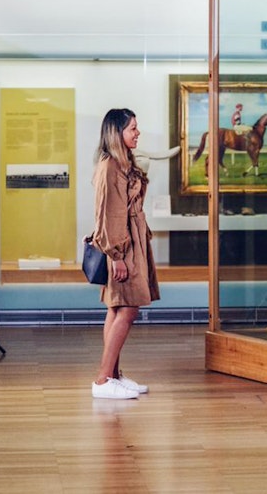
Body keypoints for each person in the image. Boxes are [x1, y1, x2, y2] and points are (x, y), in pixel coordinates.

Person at [90, 108, 160, 399]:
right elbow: (109, 213)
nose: (137, 132)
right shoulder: (109, 166)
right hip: (123, 245)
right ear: (117, 133)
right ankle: (103, 381)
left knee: (117, 308)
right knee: (128, 308)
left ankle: (113, 376)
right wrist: (117, 255)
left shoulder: (122, 163)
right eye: (132, 128)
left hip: (132, 241)